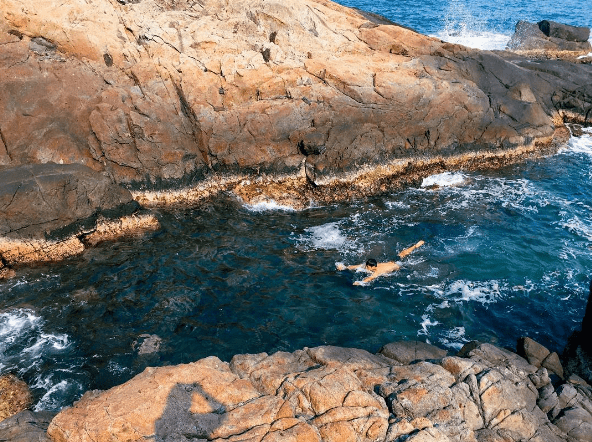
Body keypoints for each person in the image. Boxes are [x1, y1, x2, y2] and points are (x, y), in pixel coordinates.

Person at [336, 240, 425, 285]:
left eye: (374, 267)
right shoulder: (368, 265)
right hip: (390, 262)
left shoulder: (377, 271)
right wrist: (344, 267)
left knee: (403, 254)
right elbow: (356, 266)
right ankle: (415, 246)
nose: (374, 269)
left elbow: (370, 278)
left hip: (396, 266)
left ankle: (416, 246)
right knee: (401, 254)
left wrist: (360, 282)